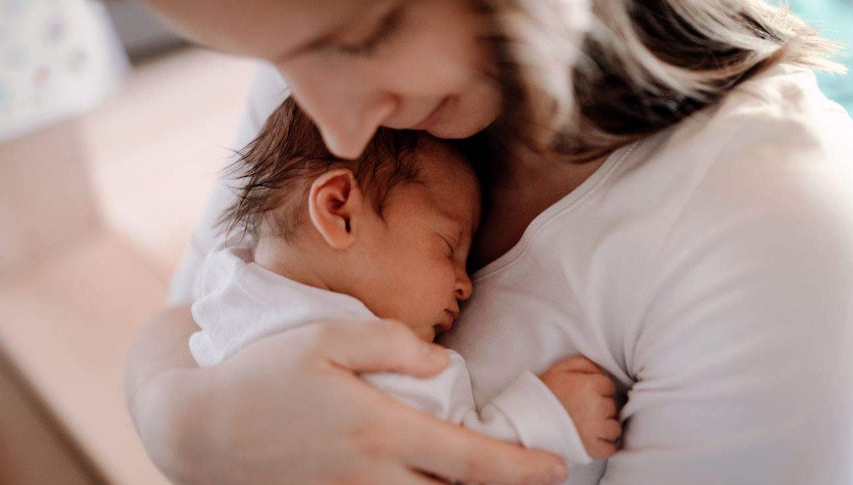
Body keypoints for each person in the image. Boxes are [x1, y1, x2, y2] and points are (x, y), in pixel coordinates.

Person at [127, 1, 853, 484]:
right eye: (278, 57)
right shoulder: (322, 63)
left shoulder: (776, 228)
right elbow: (190, 313)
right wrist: (183, 423)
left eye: (363, 40)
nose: (339, 126)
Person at [189, 95, 621, 466]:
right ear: (339, 210)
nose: (465, 286)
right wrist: (545, 419)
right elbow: (448, 463)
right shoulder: (367, 355)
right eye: (448, 248)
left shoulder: (228, 295)